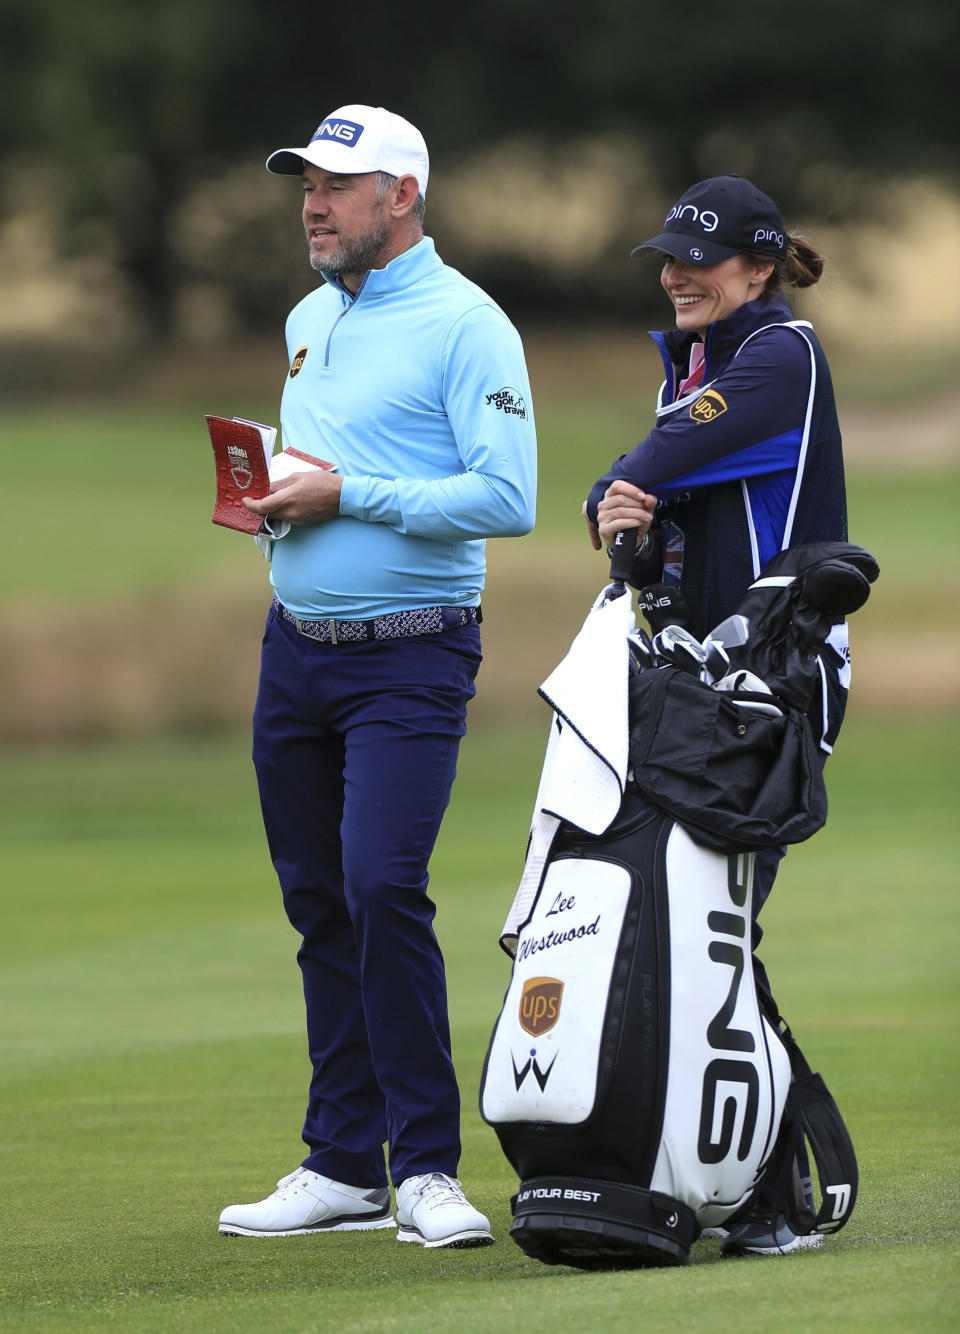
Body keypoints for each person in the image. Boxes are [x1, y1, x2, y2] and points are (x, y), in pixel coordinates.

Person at [217, 104, 536, 1249]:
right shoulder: (310, 317)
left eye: (338, 185)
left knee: (380, 885)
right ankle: (345, 1161)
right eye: (305, 182)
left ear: (403, 194)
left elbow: (508, 497)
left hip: (412, 653)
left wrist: (343, 493)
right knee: (318, 902)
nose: (312, 202)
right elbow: (332, 472)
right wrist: (275, 503)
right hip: (295, 648)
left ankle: (429, 1168)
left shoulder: (468, 324)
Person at [583, 174, 848, 1256]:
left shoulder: (780, 354)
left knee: (718, 919)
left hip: (773, 679)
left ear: (759, 266)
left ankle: (780, 1182)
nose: (675, 273)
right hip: (699, 682)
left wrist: (623, 490)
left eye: (699, 258)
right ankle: (726, 1165)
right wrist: (621, 508)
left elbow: (648, 467)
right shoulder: (699, 365)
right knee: (692, 916)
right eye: (668, 256)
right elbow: (620, 509)